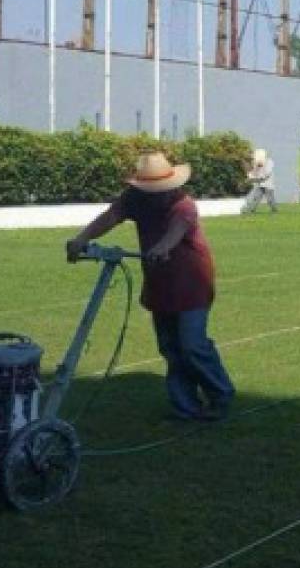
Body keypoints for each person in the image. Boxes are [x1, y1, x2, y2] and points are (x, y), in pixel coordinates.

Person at [66, 152, 235, 422]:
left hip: (192, 282)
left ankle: (221, 395)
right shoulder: (134, 199)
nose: (158, 196)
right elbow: (110, 217)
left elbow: (177, 231)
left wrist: (163, 247)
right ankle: (185, 407)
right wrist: (81, 239)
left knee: (192, 344)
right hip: (160, 281)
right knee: (170, 345)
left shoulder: (184, 205)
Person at [243, 147, 278, 214]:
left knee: (270, 199)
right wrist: (250, 177)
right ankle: (251, 210)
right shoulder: (256, 164)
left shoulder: (269, 163)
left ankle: (274, 210)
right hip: (260, 185)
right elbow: (254, 173)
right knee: (256, 198)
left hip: (268, 185)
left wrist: (254, 179)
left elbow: (266, 175)